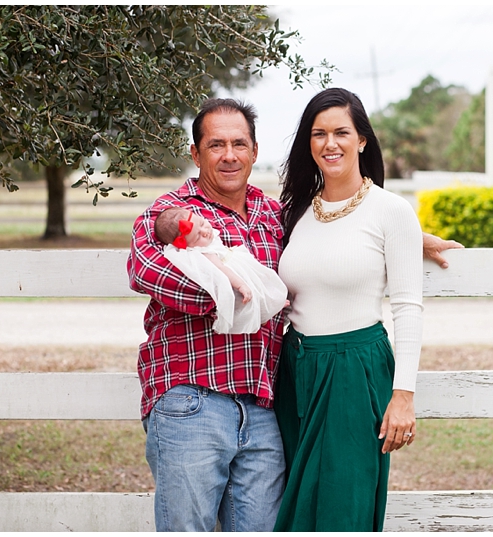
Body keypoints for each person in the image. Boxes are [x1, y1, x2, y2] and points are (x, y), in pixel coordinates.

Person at [127, 97, 462, 533]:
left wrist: (410, 236)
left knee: (309, 518)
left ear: (254, 150)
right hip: (200, 400)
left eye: (239, 144)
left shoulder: (274, 214)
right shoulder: (172, 213)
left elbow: (355, 241)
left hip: (273, 402)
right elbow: (144, 269)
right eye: (215, 145)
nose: (230, 155)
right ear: (195, 153)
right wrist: (230, 292)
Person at [272, 88, 423, 532]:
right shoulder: (294, 211)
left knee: (343, 509)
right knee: (293, 508)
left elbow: (409, 307)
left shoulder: (392, 211)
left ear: (362, 141)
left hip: (355, 371)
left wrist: (404, 395)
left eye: (341, 132)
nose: (329, 143)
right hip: (295, 371)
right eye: (318, 134)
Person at [154, 207, 288, 334]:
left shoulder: (207, 239)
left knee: (260, 282)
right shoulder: (204, 253)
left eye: (201, 223)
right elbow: (221, 268)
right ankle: (267, 310)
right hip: (234, 276)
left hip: (238, 264)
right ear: (187, 245)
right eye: (197, 237)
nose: (205, 231)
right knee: (252, 290)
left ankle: (267, 309)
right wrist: (241, 284)